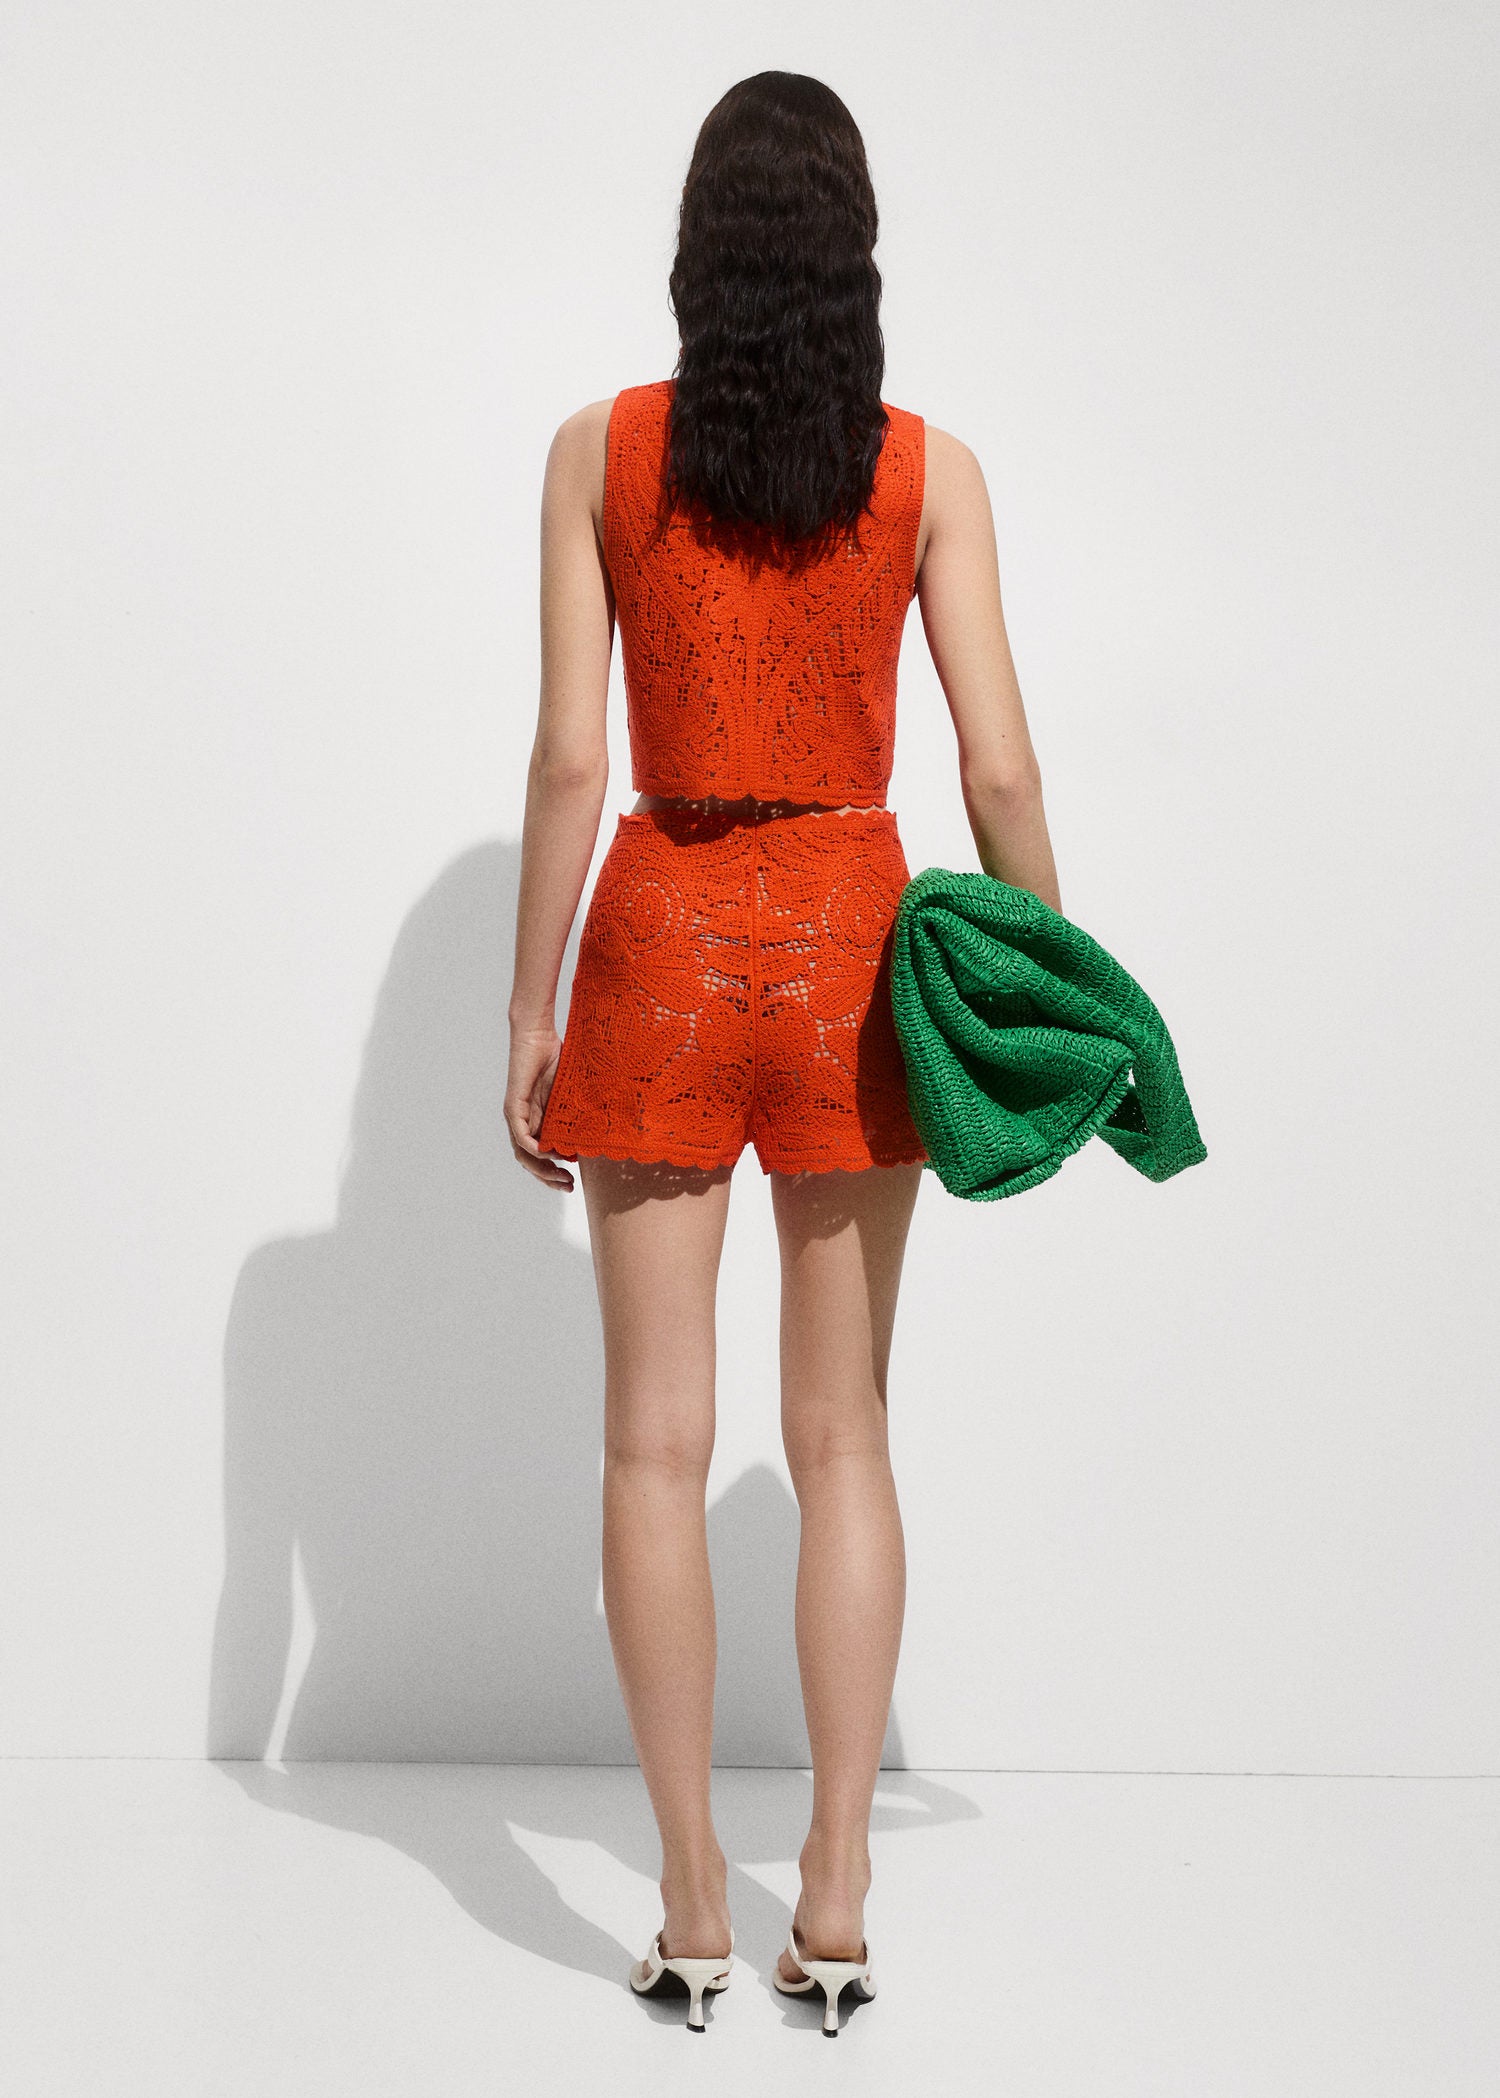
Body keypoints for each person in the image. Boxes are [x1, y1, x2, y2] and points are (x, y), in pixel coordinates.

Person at [504, 71, 1061, 2033]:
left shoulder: (596, 452)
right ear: (855, 256)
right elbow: (999, 765)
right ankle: (832, 1890)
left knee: (653, 1441)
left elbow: (569, 758)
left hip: (659, 940)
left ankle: (686, 1903)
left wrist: (529, 1006)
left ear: (696, 251)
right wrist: (1045, 972)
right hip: (848, 946)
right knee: (846, 1439)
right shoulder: (929, 471)